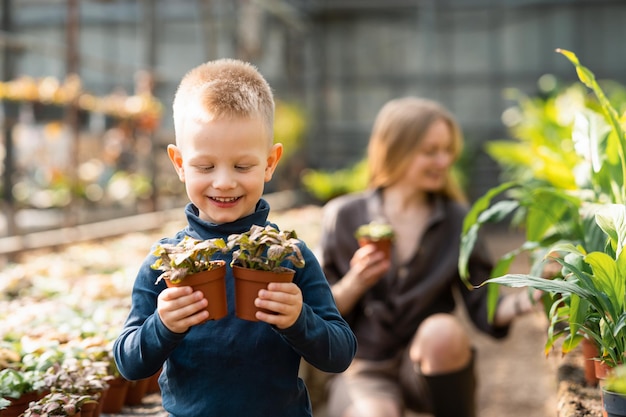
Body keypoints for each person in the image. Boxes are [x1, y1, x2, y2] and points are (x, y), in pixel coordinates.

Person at [113, 58, 357, 417]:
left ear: (270, 162)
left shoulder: (290, 256)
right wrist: (162, 326)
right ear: (179, 164)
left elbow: (340, 353)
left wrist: (298, 319)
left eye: (242, 166)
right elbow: (129, 363)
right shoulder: (166, 261)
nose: (224, 181)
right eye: (205, 166)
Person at [317, 97, 539, 417]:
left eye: (447, 150)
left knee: (443, 331)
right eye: (430, 151)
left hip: (429, 364)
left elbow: (483, 305)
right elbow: (319, 313)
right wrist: (355, 283)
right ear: (395, 150)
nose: (443, 161)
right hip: (365, 368)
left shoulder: (457, 220)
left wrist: (532, 295)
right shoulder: (344, 216)